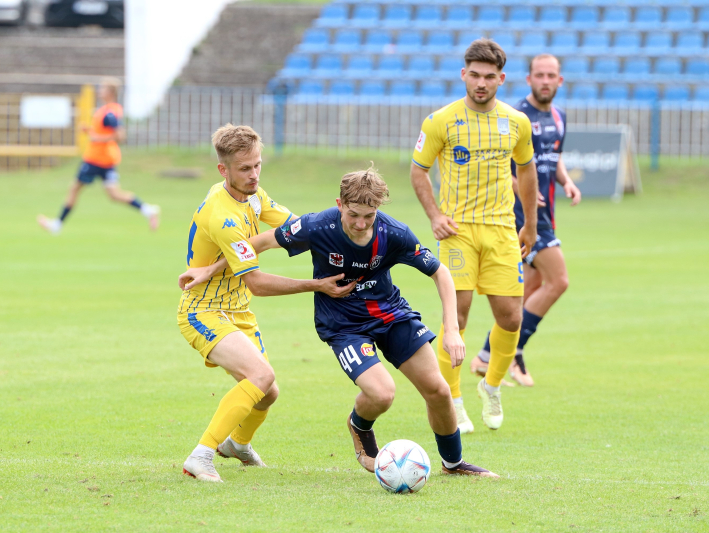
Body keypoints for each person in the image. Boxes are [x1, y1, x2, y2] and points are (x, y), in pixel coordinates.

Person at [181, 167, 498, 478]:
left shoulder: (394, 233)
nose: (361, 224)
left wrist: (452, 330)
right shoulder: (317, 226)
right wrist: (211, 269)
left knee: (438, 390)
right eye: (353, 214)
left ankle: (454, 464)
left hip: (389, 312)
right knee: (382, 394)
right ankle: (359, 425)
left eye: (369, 216)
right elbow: (259, 242)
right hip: (343, 325)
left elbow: (440, 272)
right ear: (339, 205)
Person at [179, 124, 354, 483]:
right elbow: (256, 282)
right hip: (203, 311)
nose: (254, 174)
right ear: (222, 170)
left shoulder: (253, 195)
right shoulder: (222, 215)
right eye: (244, 168)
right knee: (261, 376)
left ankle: (237, 444)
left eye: (258, 165)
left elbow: (295, 227)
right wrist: (316, 285)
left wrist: (346, 225)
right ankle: (201, 456)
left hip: (237, 311)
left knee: (266, 392)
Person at [409, 39, 539, 433]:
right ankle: (455, 399)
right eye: (475, 75)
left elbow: (528, 172)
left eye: (489, 77)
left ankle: (492, 385)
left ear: (501, 79)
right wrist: (434, 216)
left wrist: (530, 224)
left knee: (511, 317)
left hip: (501, 230)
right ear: (464, 74)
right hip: (458, 232)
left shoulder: (517, 122)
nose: (481, 83)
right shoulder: (440, 121)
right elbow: (419, 171)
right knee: (457, 315)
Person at [473, 54, 581, 387]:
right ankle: (513, 352)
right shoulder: (517, 118)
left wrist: (566, 182)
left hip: (546, 212)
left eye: (551, 75)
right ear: (528, 79)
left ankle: (487, 356)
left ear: (560, 81)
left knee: (531, 287)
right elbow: (509, 167)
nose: (545, 80)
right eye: (539, 75)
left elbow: (553, 157)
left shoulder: (559, 118)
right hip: (524, 216)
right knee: (558, 281)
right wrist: (523, 193)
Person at [38, 78, 159, 234]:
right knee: (114, 195)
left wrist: (96, 138)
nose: (99, 91)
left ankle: (57, 225)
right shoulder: (109, 109)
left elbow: (120, 135)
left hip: (96, 159)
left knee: (74, 188)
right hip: (107, 159)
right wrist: (90, 132)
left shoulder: (109, 113)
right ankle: (148, 210)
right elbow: (105, 133)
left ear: (110, 92)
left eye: (102, 88)